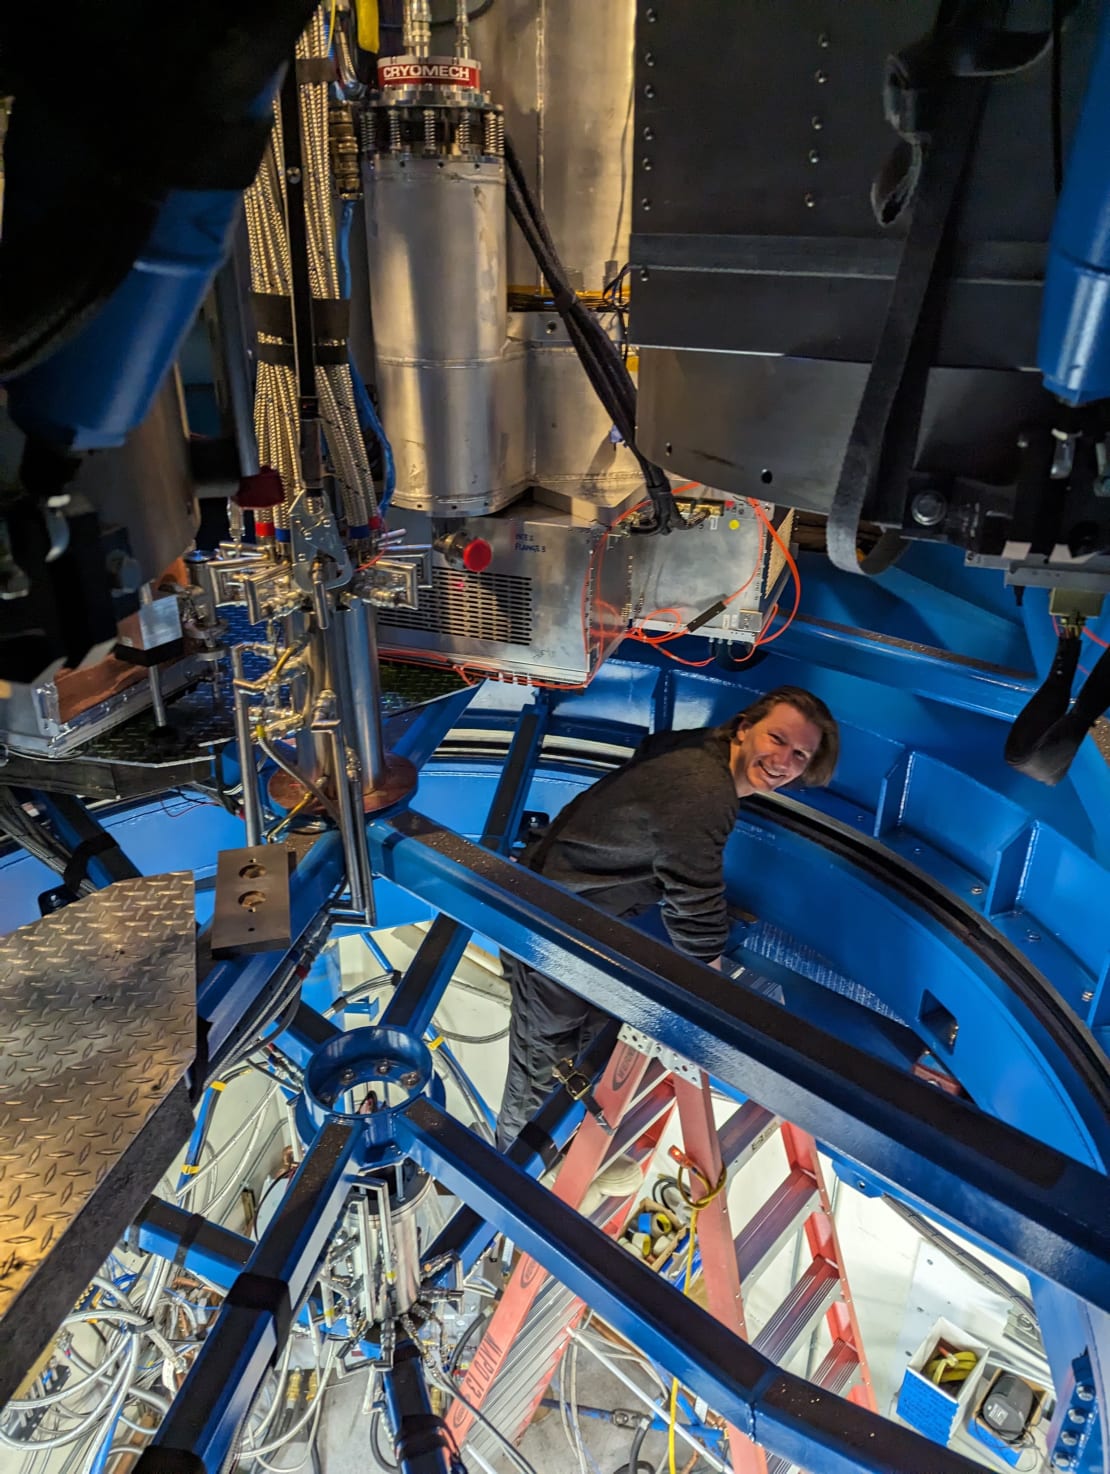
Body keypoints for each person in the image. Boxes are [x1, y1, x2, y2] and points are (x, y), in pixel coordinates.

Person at [496, 685, 839, 1149]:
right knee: (546, 1060)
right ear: (744, 728)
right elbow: (694, 903)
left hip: (582, 913)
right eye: (777, 739)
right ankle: (516, 1171)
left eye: (800, 754)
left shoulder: (700, 753)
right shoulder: (705, 789)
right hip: (554, 922)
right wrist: (714, 997)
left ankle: (562, 1152)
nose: (784, 761)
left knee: (588, 1039)